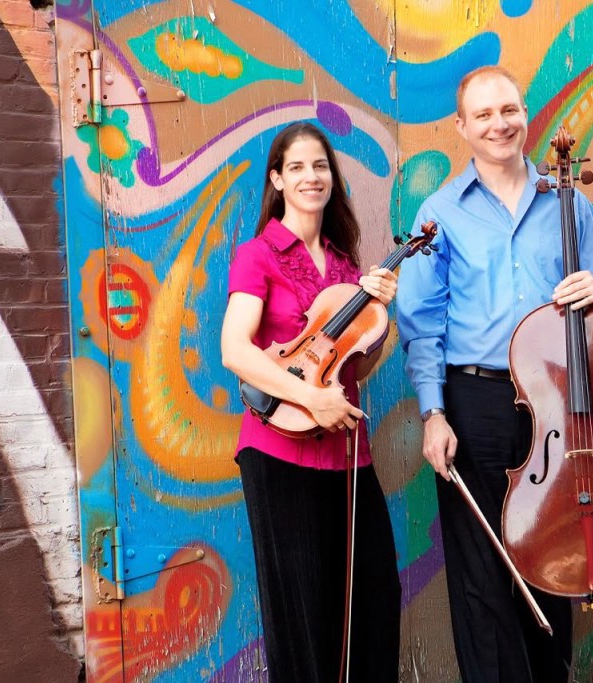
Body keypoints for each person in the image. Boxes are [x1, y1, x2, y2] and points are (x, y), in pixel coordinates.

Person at [396, 65, 593, 683]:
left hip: (559, 397)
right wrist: (433, 413)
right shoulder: (441, 211)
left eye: (509, 110)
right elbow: (422, 323)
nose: (499, 124)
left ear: (525, 114)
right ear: (461, 128)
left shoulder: (569, 200)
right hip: (474, 396)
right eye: (483, 115)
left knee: (554, 551)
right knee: (481, 572)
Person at [221, 122, 401, 682]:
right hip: (279, 452)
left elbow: (356, 368)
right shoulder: (258, 255)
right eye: (296, 167)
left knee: (373, 598)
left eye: (319, 166)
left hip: (347, 453)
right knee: (302, 611)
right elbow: (234, 350)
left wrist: (381, 319)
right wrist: (310, 397)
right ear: (277, 179)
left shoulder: (348, 267)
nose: (310, 177)